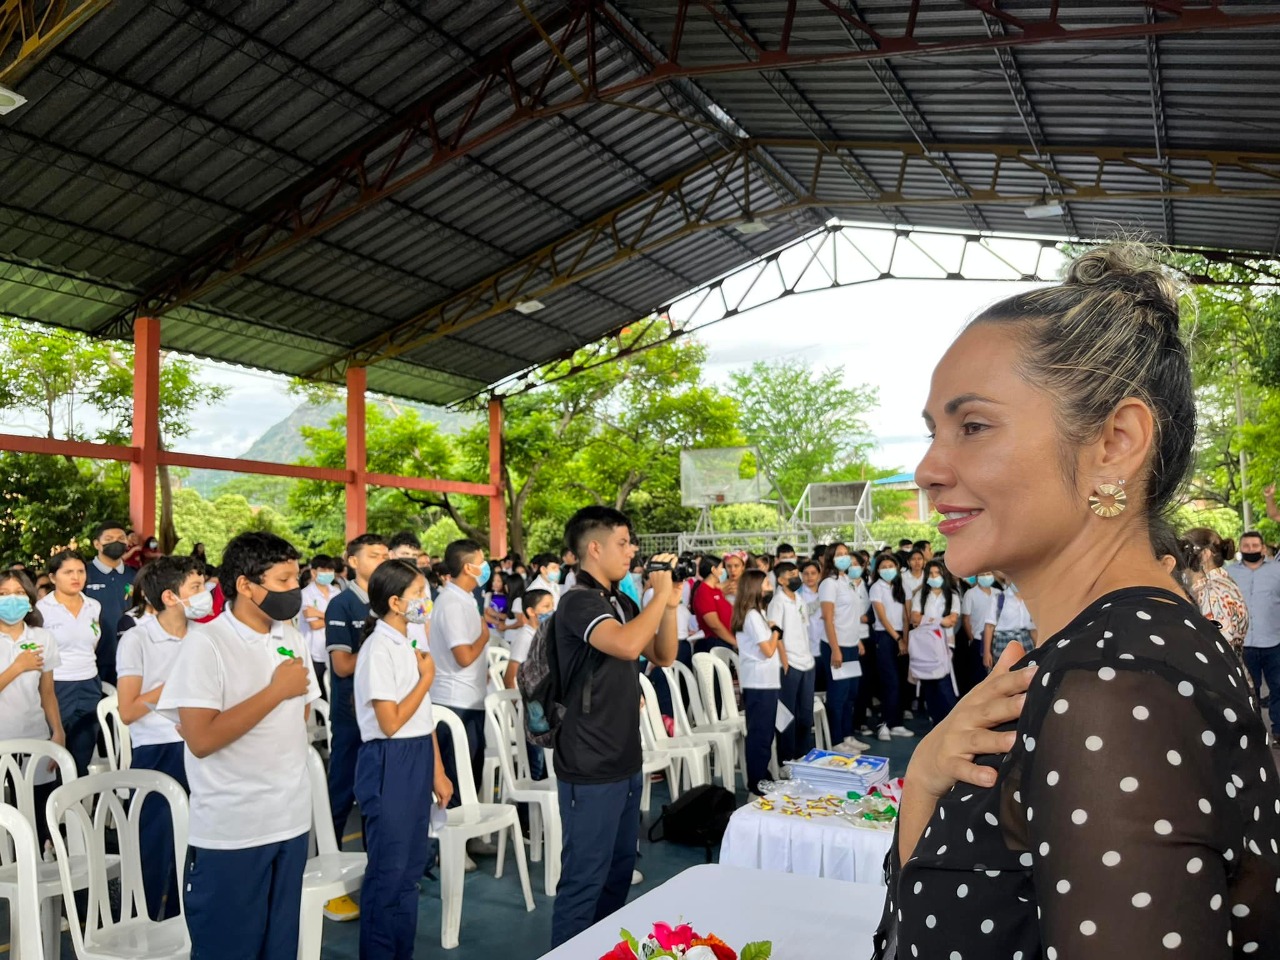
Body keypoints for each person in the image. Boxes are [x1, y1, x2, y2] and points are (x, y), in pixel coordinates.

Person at [877, 242, 1280, 960]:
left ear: (1116, 442)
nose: (929, 469)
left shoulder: (1114, 688)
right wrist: (928, 776)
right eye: (933, 430)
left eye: (972, 426)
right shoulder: (1118, 654)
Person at [160, 531, 319, 960]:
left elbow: (300, 715)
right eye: (283, 581)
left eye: (295, 580)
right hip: (235, 828)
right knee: (229, 948)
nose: (294, 591)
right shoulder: (206, 643)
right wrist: (274, 691)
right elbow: (201, 739)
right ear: (246, 585)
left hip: (289, 818)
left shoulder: (290, 637)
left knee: (279, 946)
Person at [550, 506, 680, 948]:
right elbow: (626, 645)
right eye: (623, 543)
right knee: (584, 879)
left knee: (618, 873)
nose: (632, 551)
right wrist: (658, 595)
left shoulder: (620, 601)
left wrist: (671, 603)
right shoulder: (578, 601)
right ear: (595, 547)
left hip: (625, 757)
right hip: (588, 761)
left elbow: (662, 655)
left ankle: (603, 952)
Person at [353, 559, 452, 959]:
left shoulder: (411, 641)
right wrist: (426, 678)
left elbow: (421, 715)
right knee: (388, 876)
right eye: (418, 595)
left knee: (410, 871)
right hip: (389, 760)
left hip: (415, 758)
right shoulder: (379, 648)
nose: (426, 601)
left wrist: (438, 771)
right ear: (395, 602)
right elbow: (391, 722)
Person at [116, 555, 210, 920]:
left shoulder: (205, 636)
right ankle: (151, 920)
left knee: (199, 840)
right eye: (197, 588)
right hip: (158, 750)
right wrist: (173, 685)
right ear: (171, 597)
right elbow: (127, 711)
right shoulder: (138, 640)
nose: (206, 595)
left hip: (200, 743)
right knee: (156, 846)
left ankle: (192, 919)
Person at [323, 533, 389, 921]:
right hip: (351, 717)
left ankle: (372, 875)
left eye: (385, 554)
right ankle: (330, 888)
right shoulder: (342, 603)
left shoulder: (387, 603)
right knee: (340, 796)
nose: (382, 560)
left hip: (379, 715)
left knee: (374, 798)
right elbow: (342, 666)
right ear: (352, 561)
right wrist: (381, 640)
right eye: (373, 555)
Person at [428, 539, 493, 848]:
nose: (486, 566)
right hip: (454, 701)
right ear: (469, 567)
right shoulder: (452, 602)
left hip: (470, 697)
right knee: (454, 775)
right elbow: (463, 656)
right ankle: (450, 845)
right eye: (482, 560)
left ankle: (470, 837)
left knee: (471, 770)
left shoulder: (466, 597)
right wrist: (484, 636)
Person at [0, 570, 64, 850]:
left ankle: (41, 875)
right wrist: (17, 667)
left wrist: (58, 732)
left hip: (35, 738)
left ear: (28, 598)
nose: (10, 599)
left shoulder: (42, 637)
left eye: (17, 592)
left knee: (39, 815)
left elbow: (47, 692)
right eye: (3, 594)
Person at [39, 550, 101, 775]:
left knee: (82, 754)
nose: (76, 577)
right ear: (53, 577)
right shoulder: (41, 610)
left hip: (89, 684)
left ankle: (77, 805)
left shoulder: (93, 606)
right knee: (54, 757)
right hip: (57, 686)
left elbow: (90, 645)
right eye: (68, 572)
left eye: (80, 571)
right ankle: (50, 806)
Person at [733, 569, 784, 794]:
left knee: (765, 733)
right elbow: (768, 651)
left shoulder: (758, 613)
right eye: (765, 584)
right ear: (754, 587)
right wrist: (776, 633)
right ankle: (756, 782)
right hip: (759, 683)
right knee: (760, 735)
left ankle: (763, 775)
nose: (769, 587)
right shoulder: (752, 616)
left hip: (766, 682)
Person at [1228, 529, 1280, 736]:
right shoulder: (1230, 573)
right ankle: (1256, 733)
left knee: (1278, 688)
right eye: (1246, 546)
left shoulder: (1277, 570)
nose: (1251, 550)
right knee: (1250, 691)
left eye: (1255, 546)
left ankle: (1278, 731)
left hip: (1274, 641)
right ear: (1240, 549)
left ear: (1263, 548)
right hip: (1244, 643)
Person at [817, 542, 868, 749]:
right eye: (839, 554)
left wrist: (858, 641)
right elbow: (828, 619)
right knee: (837, 695)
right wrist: (836, 649)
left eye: (846, 553)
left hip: (851, 644)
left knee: (850, 693)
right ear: (831, 558)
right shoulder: (829, 583)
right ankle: (836, 740)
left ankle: (847, 735)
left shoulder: (847, 580)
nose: (845, 557)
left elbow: (851, 615)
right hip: (835, 645)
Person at [1183, 528, 1250, 680]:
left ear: (1205, 555)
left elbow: (1217, 652)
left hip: (1219, 687)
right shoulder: (1222, 583)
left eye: (1184, 550)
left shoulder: (1210, 592)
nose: (1180, 557)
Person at [770, 560, 814, 762]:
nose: (796, 577)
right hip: (789, 664)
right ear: (780, 580)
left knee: (805, 714)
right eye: (791, 574)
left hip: (806, 661)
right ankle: (786, 759)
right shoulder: (777, 602)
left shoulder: (799, 599)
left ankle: (803, 755)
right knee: (787, 715)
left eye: (796, 573)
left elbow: (804, 628)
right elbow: (775, 633)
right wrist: (785, 660)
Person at [83, 520, 136, 687]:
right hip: (93, 659)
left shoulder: (135, 575)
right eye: (109, 538)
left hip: (130, 658)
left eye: (121, 538)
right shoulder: (83, 574)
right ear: (97, 544)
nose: (116, 542)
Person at [908, 559, 959, 724]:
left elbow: (951, 620)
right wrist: (939, 621)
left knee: (944, 682)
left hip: (945, 644)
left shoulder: (952, 595)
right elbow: (914, 618)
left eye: (938, 573)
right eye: (931, 573)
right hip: (924, 645)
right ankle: (935, 720)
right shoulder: (921, 595)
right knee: (928, 684)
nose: (934, 576)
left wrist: (928, 620)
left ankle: (951, 721)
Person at [868, 553, 911, 741]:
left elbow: (906, 616)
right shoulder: (876, 588)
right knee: (890, 682)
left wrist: (906, 639)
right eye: (883, 567)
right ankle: (884, 723)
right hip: (885, 637)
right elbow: (882, 617)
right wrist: (897, 638)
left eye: (890, 566)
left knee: (901, 682)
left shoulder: (902, 586)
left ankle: (897, 723)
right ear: (877, 570)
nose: (887, 570)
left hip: (903, 635)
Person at [300, 554, 342, 696]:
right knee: (319, 691)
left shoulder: (337, 592)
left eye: (330, 570)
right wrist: (332, 618)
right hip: (314, 651)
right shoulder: (306, 594)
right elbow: (315, 625)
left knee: (333, 689)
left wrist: (318, 613)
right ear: (314, 572)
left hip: (334, 647)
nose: (327, 573)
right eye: (323, 570)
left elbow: (341, 619)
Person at [982, 574, 1036, 668]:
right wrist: (987, 653)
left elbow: (1032, 629)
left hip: (1025, 641)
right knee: (1004, 675)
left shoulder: (1030, 599)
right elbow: (989, 626)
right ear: (1008, 579)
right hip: (1003, 643)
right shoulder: (999, 598)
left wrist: (1038, 648)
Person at [504, 588, 553, 690]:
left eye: (552, 606)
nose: (551, 611)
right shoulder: (524, 638)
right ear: (531, 611)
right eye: (546, 606)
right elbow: (510, 680)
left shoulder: (542, 635)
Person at [691, 556, 736, 654]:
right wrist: (734, 642)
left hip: (725, 640)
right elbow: (714, 625)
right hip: (715, 643)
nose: (723, 571)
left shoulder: (716, 590)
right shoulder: (703, 592)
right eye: (721, 567)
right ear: (713, 569)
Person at [961, 571, 998, 683]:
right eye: (983, 575)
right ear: (977, 577)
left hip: (996, 639)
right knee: (979, 675)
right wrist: (971, 638)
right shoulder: (970, 594)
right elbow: (966, 619)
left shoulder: (998, 593)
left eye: (988, 574)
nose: (986, 577)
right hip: (978, 639)